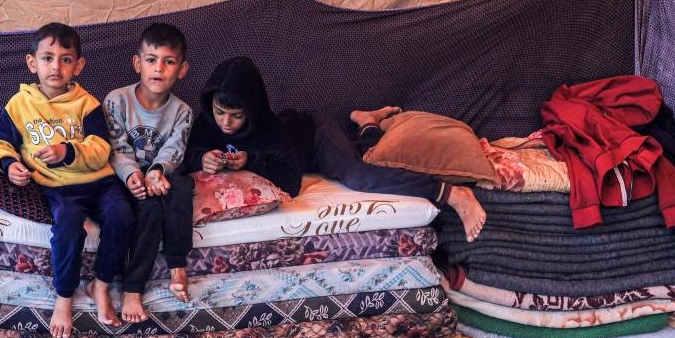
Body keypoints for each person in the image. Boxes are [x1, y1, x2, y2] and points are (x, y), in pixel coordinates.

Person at [185, 56, 486, 241]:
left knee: (358, 175)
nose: (225, 123)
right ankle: (367, 123)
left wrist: (251, 160)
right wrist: (203, 157)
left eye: (236, 116)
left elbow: (291, 182)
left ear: (252, 110)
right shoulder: (206, 122)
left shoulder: (269, 127)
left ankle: (451, 193)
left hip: (315, 136)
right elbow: (187, 156)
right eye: (219, 112)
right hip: (303, 145)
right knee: (368, 159)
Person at [0, 22, 134, 338]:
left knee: (122, 215)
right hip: (58, 186)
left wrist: (67, 151)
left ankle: (101, 285)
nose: (56, 67)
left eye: (65, 59)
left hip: (99, 182)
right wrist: (10, 164)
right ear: (32, 63)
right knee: (68, 225)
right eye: (47, 58)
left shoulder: (87, 103)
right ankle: (64, 295)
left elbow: (101, 149)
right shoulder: (19, 105)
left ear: (78, 66)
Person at [103, 22, 194, 323]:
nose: (159, 69)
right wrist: (132, 175)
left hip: (160, 174)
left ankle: (177, 265)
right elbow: (115, 147)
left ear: (182, 70)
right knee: (148, 208)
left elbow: (174, 150)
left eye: (169, 62)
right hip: (124, 174)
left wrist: (156, 172)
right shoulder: (116, 100)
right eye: (152, 60)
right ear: (137, 63)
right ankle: (132, 289)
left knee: (180, 189)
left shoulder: (183, 112)